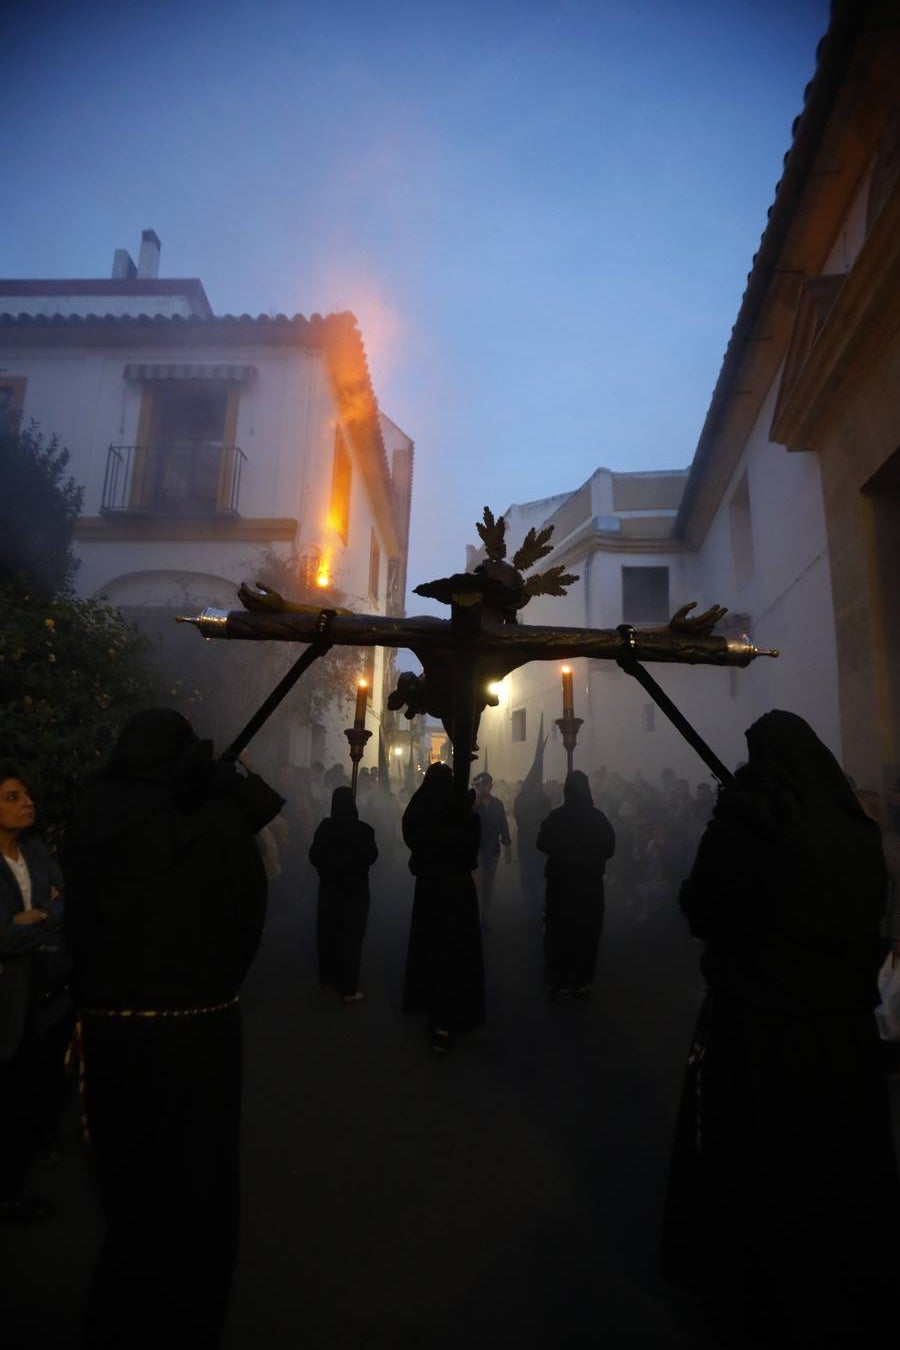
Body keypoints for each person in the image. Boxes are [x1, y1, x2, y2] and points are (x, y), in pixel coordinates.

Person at [662, 711, 900, 1344]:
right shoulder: (858, 833)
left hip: (760, 1033)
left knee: (761, 1168)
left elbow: (702, 908)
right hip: (846, 1041)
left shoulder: (746, 829)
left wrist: (733, 828)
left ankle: (758, 1292)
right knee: (834, 1168)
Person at [62, 709, 284, 1350]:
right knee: (195, 1190)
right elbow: (248, 910)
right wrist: (212, 986)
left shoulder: (95, 811)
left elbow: (79, 917)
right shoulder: (214, 819)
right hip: (200, 1035)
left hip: (111, 1031)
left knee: (128, 1187)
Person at [0, 766, 72, 1223]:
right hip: (5, 998)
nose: (27, 802)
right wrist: (30, 925)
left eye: (26, 794)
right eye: (11, 796)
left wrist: (34, 920)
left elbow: (60, 905)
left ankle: (12, 1185)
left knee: (24, 1092)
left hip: (37, 995)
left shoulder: (36, 851)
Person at [402, 763, 484, 1053]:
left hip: (431, 891)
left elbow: (412, 836)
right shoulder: (465, 817)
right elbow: (471, 849)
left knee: (435, 952)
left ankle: (440, 1018)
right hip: (459, 891)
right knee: (456, 952)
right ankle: (453, 1015)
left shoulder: (421, 812)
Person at [535, 769, 616, 998]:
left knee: (560, 932)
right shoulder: (598, 818)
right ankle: (582, 980)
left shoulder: (556, 817)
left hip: (561, 886)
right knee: (585, 934)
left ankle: (559, 980)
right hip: (589, 887)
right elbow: (609, 848)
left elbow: (542, 843)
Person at [308, 785, 378, 1003]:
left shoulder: (325, 827)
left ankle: (328, 978)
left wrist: (328, 869)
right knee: (351, 937)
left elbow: (314, 855)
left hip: (329, 890)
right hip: (355, 893)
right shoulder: (364, 830)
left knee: (329, 933)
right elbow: (371, 856)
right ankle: (348, 986)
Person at [472, 772, 511, 930]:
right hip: (477, 848)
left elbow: (503, 824)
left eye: (486, 784)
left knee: (488, 884)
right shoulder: (473, 805)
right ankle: (478, 915)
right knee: (478, 883)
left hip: (493, 848)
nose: (484, 788)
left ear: (490, 786)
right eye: (481, 785)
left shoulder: (497, 804)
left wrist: (507, 846)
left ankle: (485, 913)